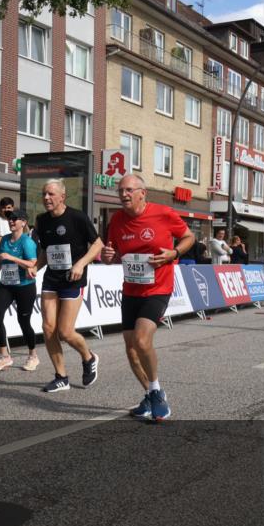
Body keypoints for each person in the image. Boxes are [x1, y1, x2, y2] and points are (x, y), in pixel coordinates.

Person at [102, 175, 194, 422]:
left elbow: (189, 237)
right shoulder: (117, 220)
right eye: (120, 190)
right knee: (131, 350)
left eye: (129, 190)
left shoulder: (163, 213)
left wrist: (173, 253)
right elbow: (113, 255)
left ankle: (156, 391)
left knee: (142, 341)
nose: (124, 194)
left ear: (143, 193)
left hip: (158, 288)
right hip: (131, 290)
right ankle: (150, 393)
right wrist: (108, 255)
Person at [31, 179, 104, 393]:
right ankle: (61, 376)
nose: (46, 198)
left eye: (51, 194)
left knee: (65, 331)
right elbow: (46, 250)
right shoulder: (42, 221)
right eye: (44, 194)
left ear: (62, 197)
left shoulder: (77, 217)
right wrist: (37, 266)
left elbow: (98, 244)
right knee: (48, 328)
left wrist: (80, 263)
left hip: (73, 279)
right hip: (52, 279)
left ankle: (89, 357)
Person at [0, 209, 40, 372]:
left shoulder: (27, 242)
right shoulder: (5, 240)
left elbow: (32, 264)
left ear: (23, 222)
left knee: (23, 321)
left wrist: (12, 258)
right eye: (9, 218)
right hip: (6, 285)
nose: (11, 221)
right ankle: (5, 356)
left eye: (15, 219)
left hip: (24, 286)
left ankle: (33, 355)